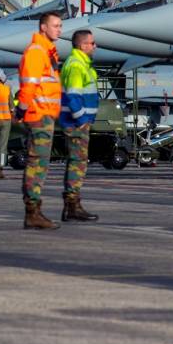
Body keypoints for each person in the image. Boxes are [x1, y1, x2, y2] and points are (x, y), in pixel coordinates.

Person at [16, 12, 63, 229]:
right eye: (55, 26)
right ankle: (32, 211)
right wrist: (21, 110)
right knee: (37, 163)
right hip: (38, 115)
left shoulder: (47, 52)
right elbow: (29, 86)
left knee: (40, 164)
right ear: (43, 27)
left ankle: (34, 210)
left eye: (60, 26)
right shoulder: (36, 52)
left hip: (45, 115)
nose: (59, 30)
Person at [59, 29, 100, 222]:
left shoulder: (80, 63)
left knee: (76, 163)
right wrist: (82, 119)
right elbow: (73, 96)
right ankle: (72, 205)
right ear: (83, 46)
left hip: (78, 123)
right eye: (92, 43)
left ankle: (71, 205)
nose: (95, 46)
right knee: (78, 164)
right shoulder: (76, 65)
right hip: (77, 124)